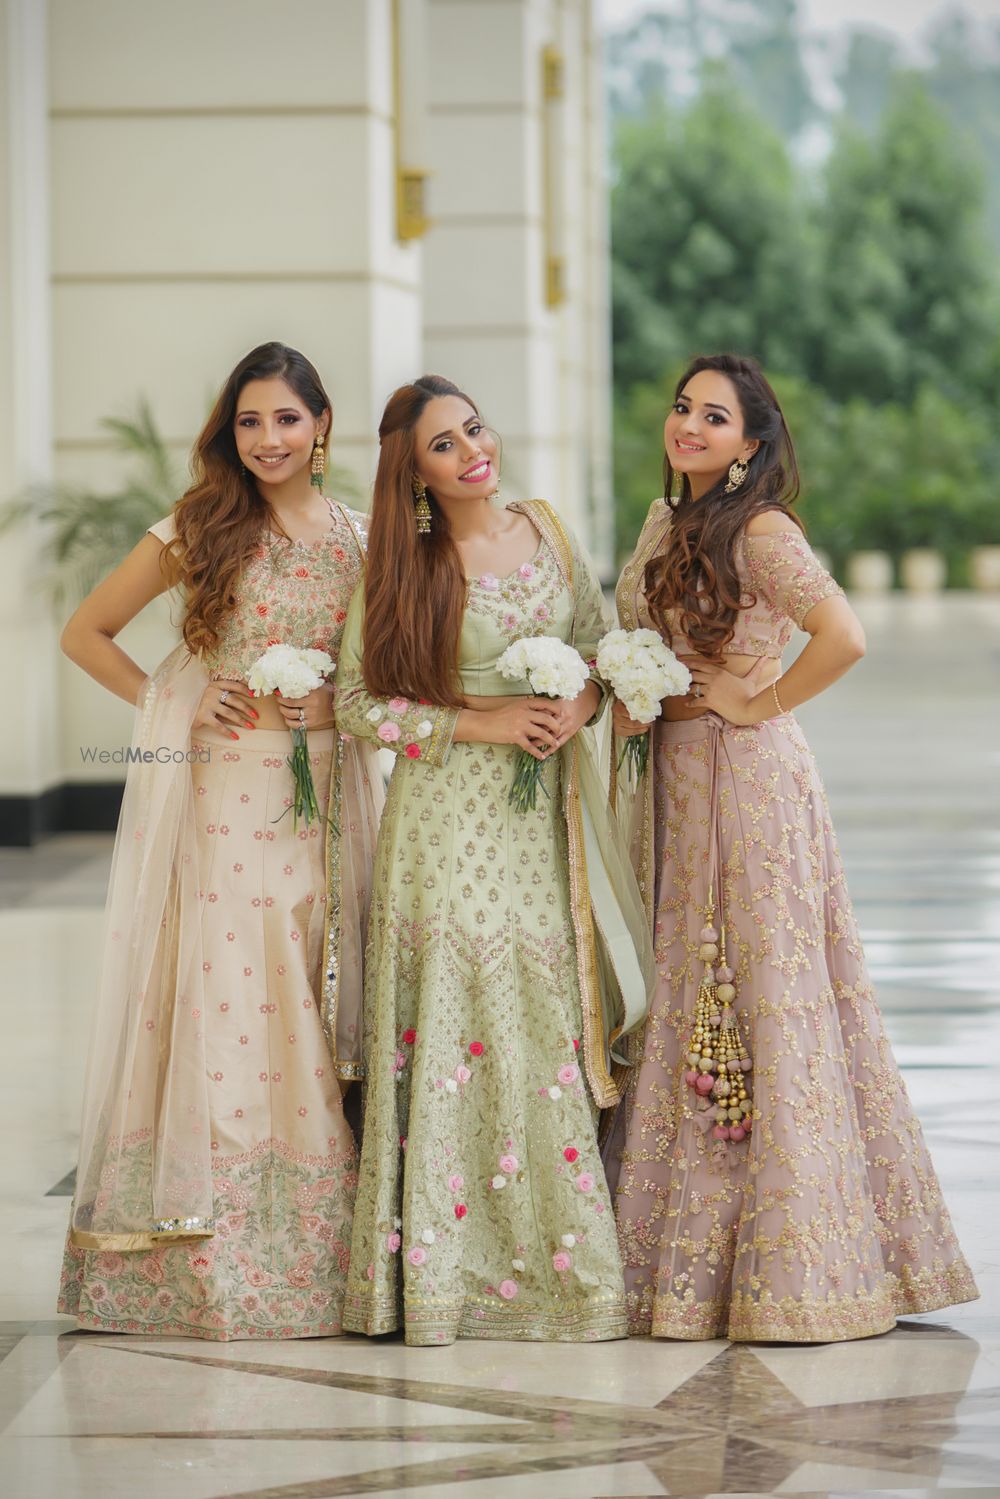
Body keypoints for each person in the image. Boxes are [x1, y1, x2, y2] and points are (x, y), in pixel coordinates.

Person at [605, 352, 978, 1343]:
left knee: (755, 987)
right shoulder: (664, 521)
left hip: (747, 781)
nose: (687, 425)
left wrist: (750, 697)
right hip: (675, 782)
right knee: (688, 986)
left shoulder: (759, 529)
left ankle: (795, 1260)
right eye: (682, 407)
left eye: (713, 417)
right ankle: (692, 1250)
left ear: (751, 443)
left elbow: (842, 634)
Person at [57, 342, 382, 1340]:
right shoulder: (200, 527)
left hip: (336, 789)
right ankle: (218, 1253)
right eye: (248, 421)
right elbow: (87, 631)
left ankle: (335, 1245)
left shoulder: (365, 540)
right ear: (228, 433)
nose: (269, 438)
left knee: (330, 985)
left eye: (286, 418)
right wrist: (184, 700)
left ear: (323, 426)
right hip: (233, 797)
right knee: (245, 994)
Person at [335, 374, 651, 1346]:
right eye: (444, 443)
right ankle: (441, 1279)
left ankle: (556, 1267)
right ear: (414, 473)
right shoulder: (407, 564)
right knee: (459, 1015)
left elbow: (598, 649)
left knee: (541, 1012)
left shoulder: (548, 529)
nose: (474, 448)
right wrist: (484, 720)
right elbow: (358, 702)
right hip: (442, 829)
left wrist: (578, 705)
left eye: (474, 427)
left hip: (540, 828)